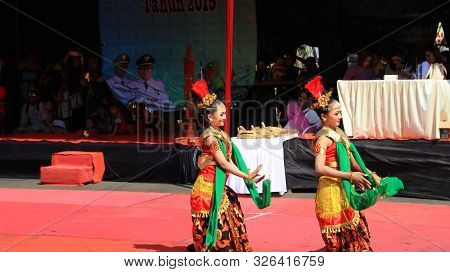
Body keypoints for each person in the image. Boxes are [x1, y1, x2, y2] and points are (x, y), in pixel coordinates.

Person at [304, 76, 403, 252]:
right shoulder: (323, 138)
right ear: (324, 116)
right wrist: (349, 175)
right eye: (336, 114)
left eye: (341, 113)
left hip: (344, 190)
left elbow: (351, 159)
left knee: (356, 237)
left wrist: (370, 174)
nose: (340, 117)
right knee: (338, 242)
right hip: (331, 193)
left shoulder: (339, 133)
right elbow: (319, 168)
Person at [189, 79, 270, 252]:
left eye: (225, 113)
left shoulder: (221, 134)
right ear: (210, 117)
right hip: (208, 189)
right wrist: (246, 176)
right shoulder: (211, 137)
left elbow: (231, 159)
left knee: (233, 217)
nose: (225, 117)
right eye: (222, 114)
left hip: (218, 186)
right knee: (221, 226)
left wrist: (247, 174)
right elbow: (223, 162)